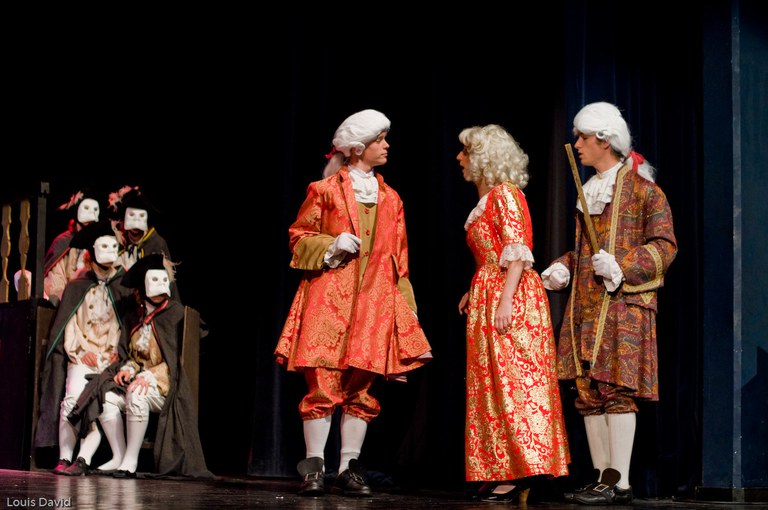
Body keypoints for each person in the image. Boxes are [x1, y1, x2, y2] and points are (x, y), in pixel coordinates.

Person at [275, 109, 432, 498]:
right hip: (328, 300)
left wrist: (406, 311)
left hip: (374, 305)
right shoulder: (324, 190)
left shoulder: (392, 199)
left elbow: (400, 260)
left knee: (361, 390)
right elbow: (298, 238)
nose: (387, 145)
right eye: (380, 140)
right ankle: (315, 467)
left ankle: (348, 468)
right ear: (359, 148)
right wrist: (331, 244)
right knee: (322, 386)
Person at [541, 102, 677, 505]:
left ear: (604, 141)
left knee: (617, 391)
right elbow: (586, 252)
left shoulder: (645, 191)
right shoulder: (589, 191)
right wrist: (565, 267)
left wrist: (623, 266)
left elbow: (665, 246)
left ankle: (620, 482)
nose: (577, 144)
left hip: (623, 306)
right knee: (588, 392)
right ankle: (602, 477)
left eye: (583, 137)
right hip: (586, 305)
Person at [456, 124, 570, 503]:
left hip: (513, 296)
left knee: (515, 383)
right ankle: (502, 466)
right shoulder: (488, 200)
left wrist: (505, 300)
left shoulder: (505, 194)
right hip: (491, 291)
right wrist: (475, 290)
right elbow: (492, 255)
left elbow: (517, 251)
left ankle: (525, 470)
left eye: (466, 152)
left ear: (483, 157)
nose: (460, 158)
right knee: (491, 386)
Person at [80, 253, 212, 479]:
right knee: (106, 396)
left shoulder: (176, 314)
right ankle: (119, 455)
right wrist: (128, 369)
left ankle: (131, 461)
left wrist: (149, 376)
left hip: (167, 385)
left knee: (136, 394)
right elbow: (134, 355)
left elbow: (177, 360)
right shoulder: (136, 317)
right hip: (140, 381)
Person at [34, 219, 133, 476]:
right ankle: (65, 457)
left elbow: (125, 328)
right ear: (92, 252)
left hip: (110, 360)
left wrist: (114, 354)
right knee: (72, 399)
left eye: (113, 247)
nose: (109, 253)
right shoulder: (77, 285)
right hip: (82, 356)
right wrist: (80, 351)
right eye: (103, 247)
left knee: (97, 402)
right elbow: (69, 324)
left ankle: (83, 460)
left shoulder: (122, 287)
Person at [43, 191, 101, 305]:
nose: (91, 214)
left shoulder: (100, 243)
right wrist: (62, 298)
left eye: (95, 210)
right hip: (64, 298)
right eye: (86, 208)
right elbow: (56, 276)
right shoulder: (63, 241)